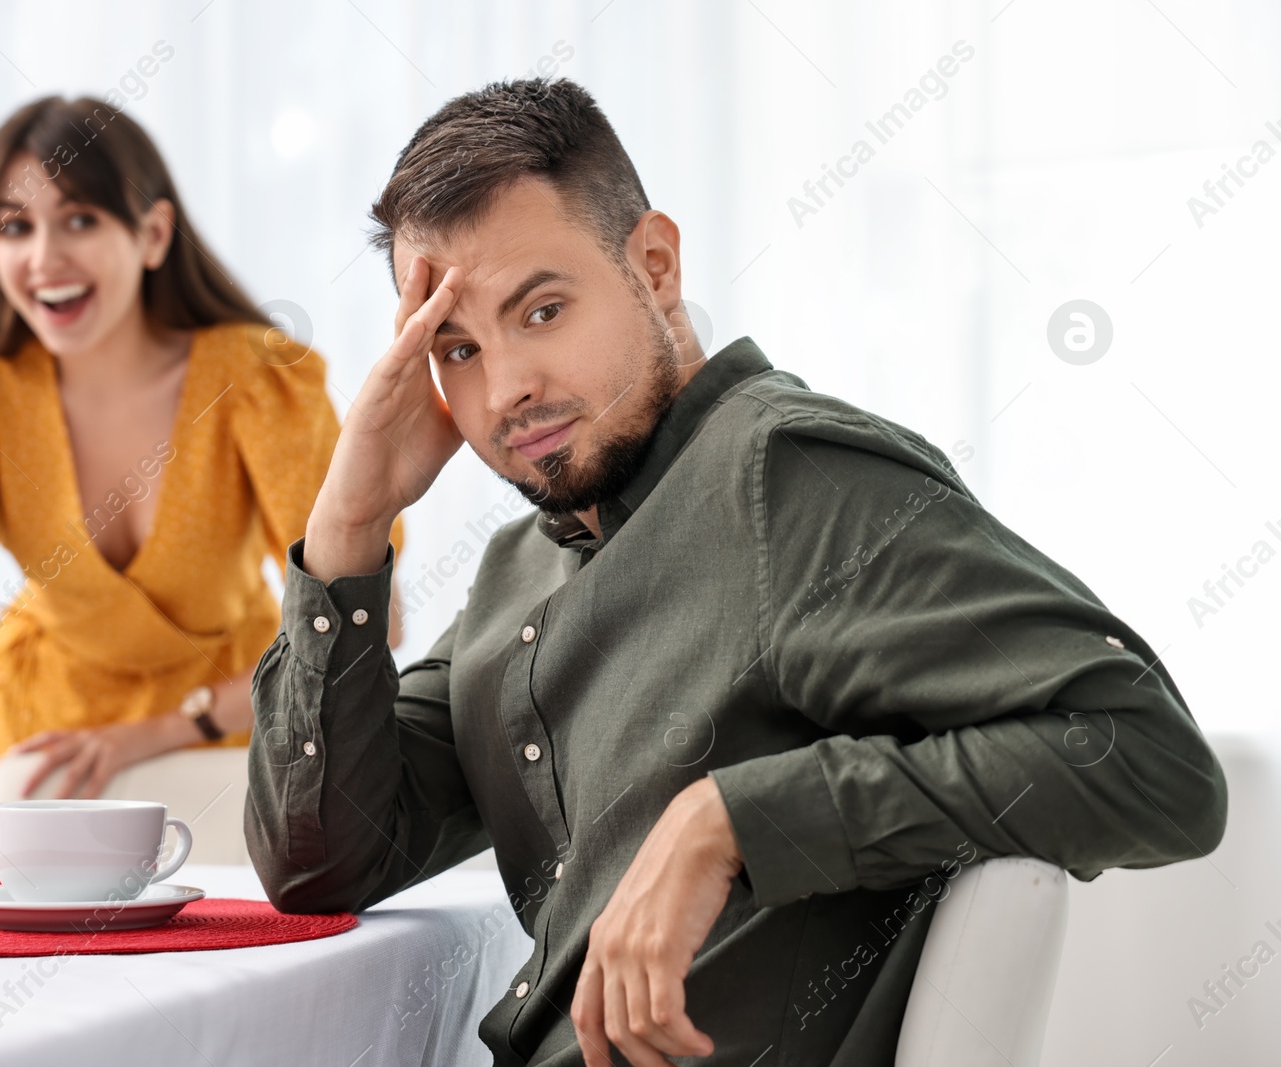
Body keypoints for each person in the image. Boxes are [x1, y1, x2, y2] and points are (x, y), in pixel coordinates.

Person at [243, 78, 1227, 1066]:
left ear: (656, 266)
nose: (504, 389)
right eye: (455, 348)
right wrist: (351, 521)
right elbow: (319, 862)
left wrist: (733, 819)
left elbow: (1146, 758)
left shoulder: (788, 479)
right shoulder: (517, 569)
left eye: (541, 310)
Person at [0, 96, 398, 855]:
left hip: (231, 733)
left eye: (81, 219)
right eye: (14, 226)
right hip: (50, 751)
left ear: (153, 234)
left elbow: (368, 628)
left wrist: (159, 731)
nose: (43, 258)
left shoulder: (257, 379)